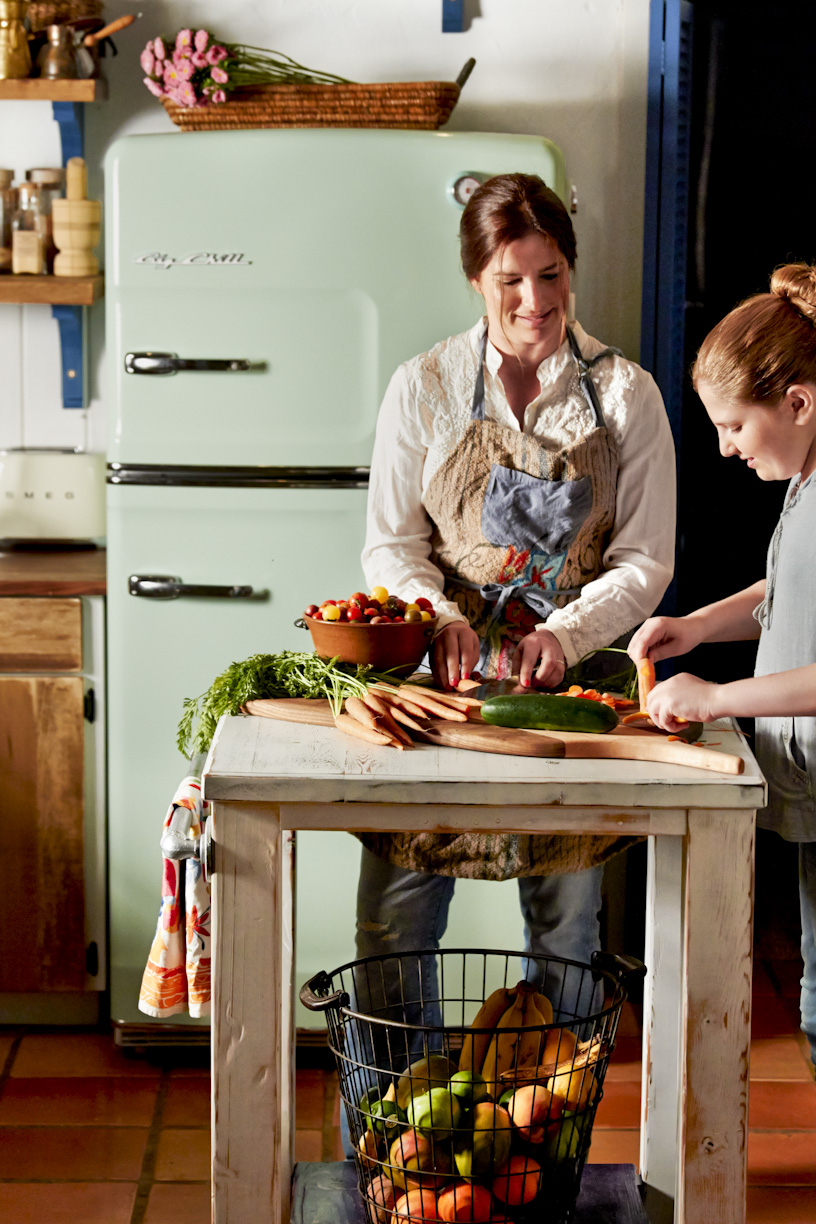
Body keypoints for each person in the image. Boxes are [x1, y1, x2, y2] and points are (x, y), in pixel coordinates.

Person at [349, 173, 675, 1082]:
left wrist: (562, 637)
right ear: (476, 282)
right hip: (438, 697)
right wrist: (441, 617)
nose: (536, 302)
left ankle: (544, 1136)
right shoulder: (422, 387)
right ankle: (390, 1131)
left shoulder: (626, 397)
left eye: (554, 275)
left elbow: (646, 561)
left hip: (568, 700)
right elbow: (390, 546)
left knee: (567, 920)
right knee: (395, 911)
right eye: (512, 281)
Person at [628, 262, 816, 1078]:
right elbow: (792, 589)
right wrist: (699, 626)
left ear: (799, 403)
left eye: (734, 426)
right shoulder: (804, 479)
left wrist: (718, 695)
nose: (724, 447)